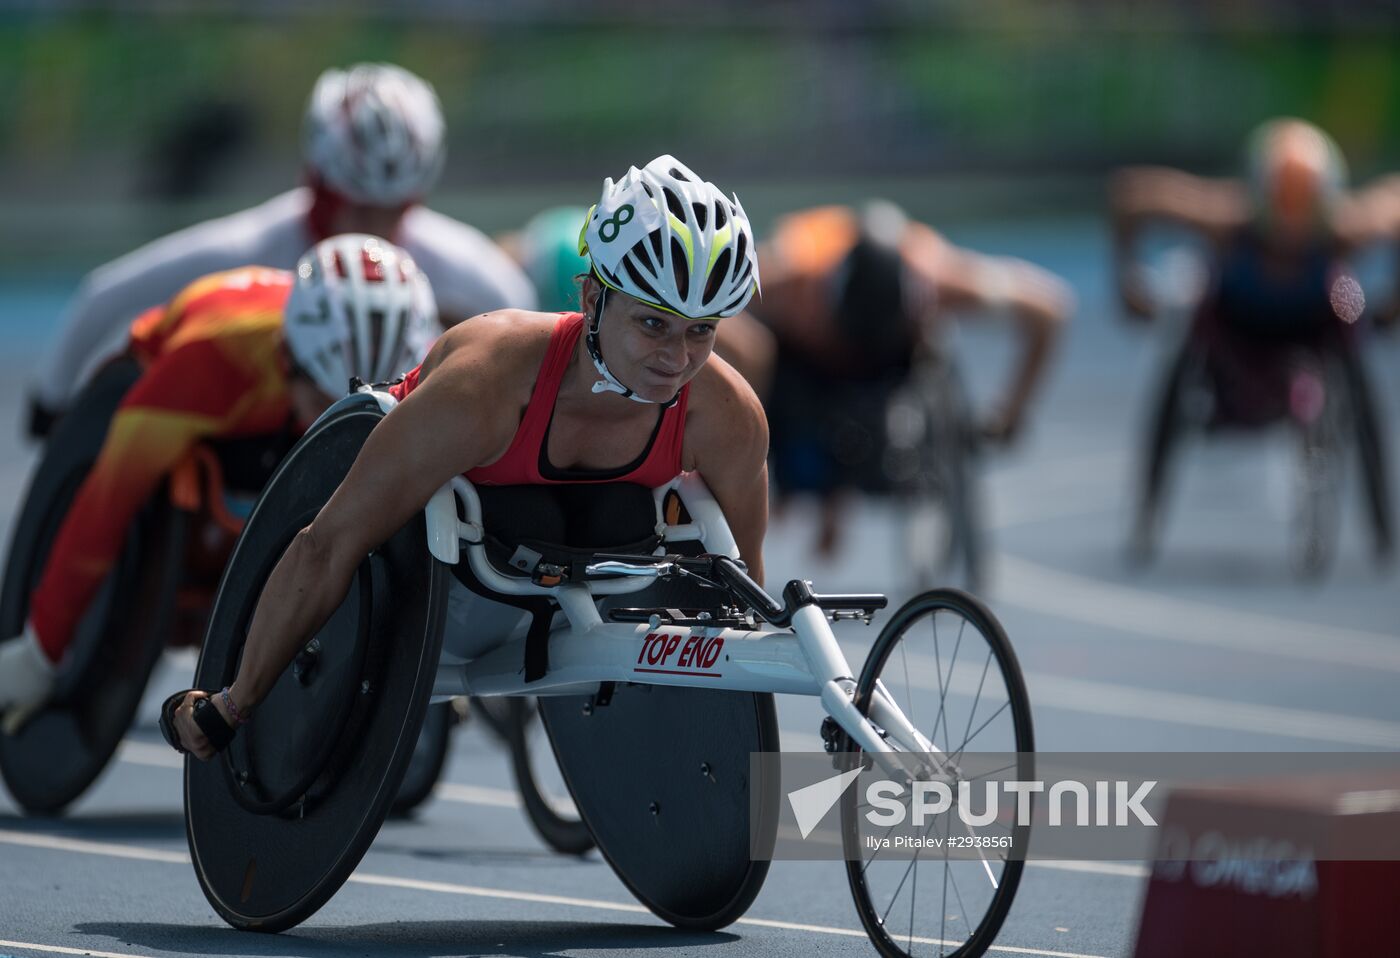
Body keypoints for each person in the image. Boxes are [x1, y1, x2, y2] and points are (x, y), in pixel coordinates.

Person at [164, 155, 769, 759]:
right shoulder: (488, 386)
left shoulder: (723, 414)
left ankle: (848, 818)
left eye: (701, 331)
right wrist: (232, 704)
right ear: (592, 298)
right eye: (653, 323)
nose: (678, 357)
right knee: (540, 518)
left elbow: (748, 589)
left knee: (616, 517)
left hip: (561, 581)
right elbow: (327, 543)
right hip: (427, 567)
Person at [0, 235, 438, 720]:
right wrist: (42, 650)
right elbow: (104, 505)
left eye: (352, 408)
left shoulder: (423, 363)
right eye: (323, 401)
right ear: (291, 360)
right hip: (186, 382)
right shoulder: (208, 365)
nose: (330, 424)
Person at [26, 62, 534, 438]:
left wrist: (50, 403)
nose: (369, 231)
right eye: (352, 207)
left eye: (390, 211)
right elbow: (105, 296)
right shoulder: (247, 246)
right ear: (317, 183)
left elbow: (533, 353)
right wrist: (51, 409)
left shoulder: (474, 272)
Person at [1111, 117, 1394, 561]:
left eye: (1304, 205)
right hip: (1237, 328)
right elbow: (1131, 194)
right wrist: (1128, 286)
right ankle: (1147, 513)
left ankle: (1382, 525)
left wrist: (1390, 307)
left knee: (1349, 299)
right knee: (1193, 303)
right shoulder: (1227, 221)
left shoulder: (1344, 231)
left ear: (1325, 201)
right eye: (1283, 203)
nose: (1292, 222)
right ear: (1262, 198)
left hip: (1315, 324)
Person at [754, 201, 1072, 557]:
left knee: (921, 357)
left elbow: (1048, 309)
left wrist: (1013, 412)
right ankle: (820, 493)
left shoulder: (940, 278)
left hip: (897, 351)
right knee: (764, 358)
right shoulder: (788, 275)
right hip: (802, 362)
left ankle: (842, 485)